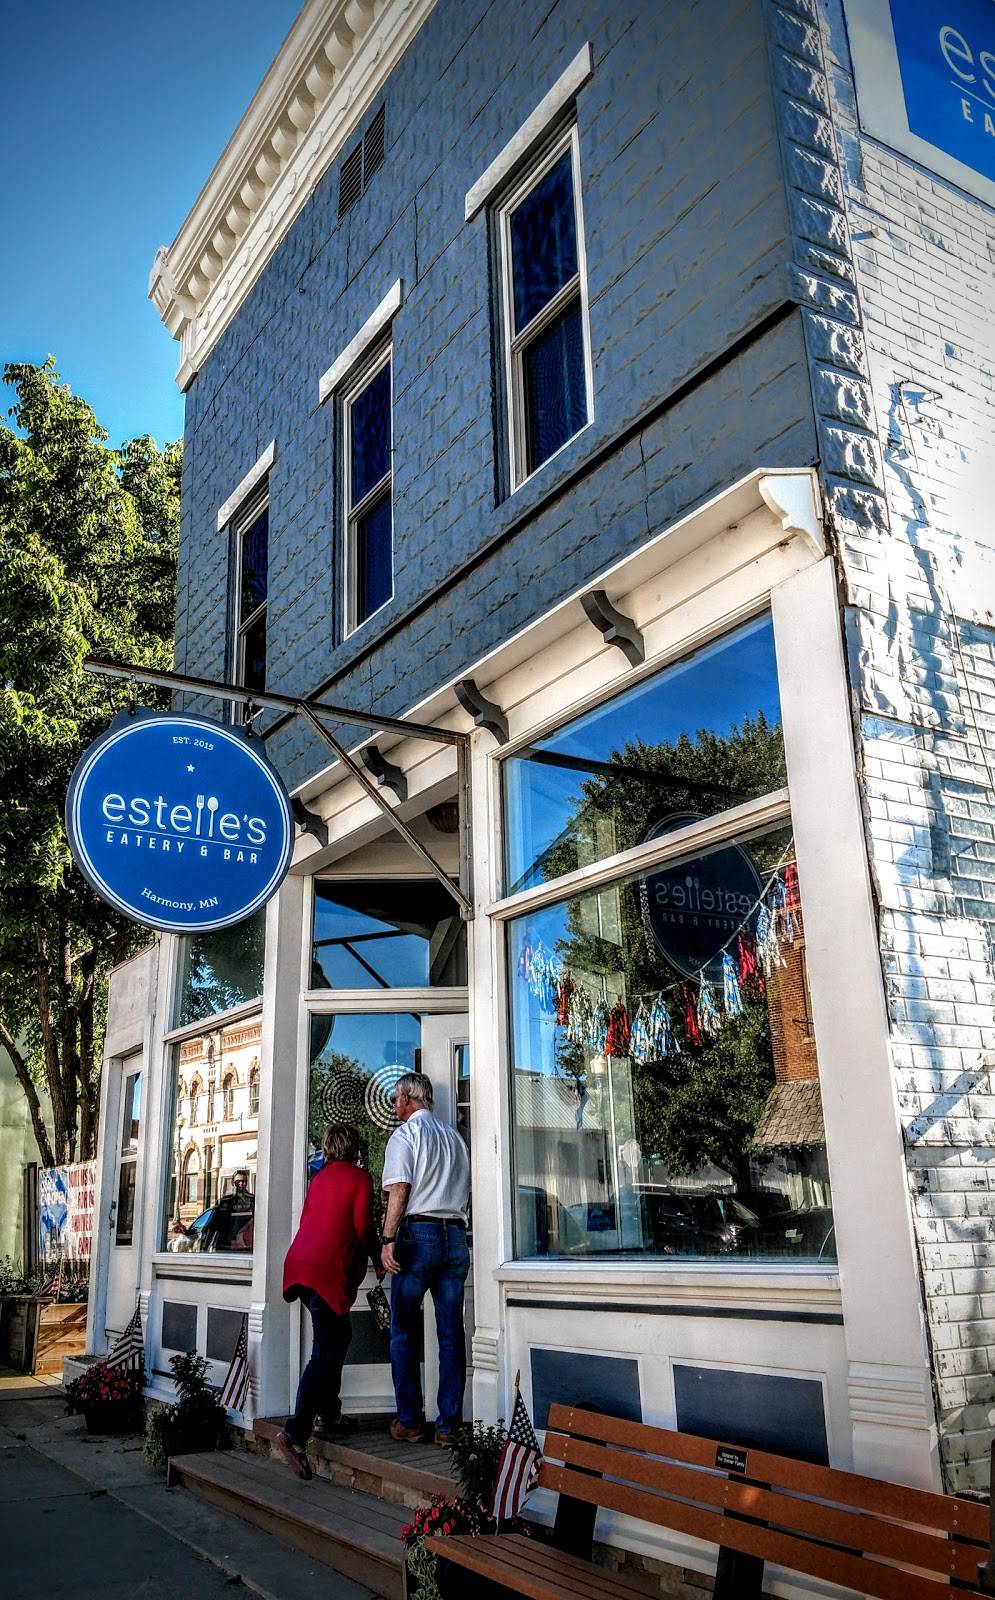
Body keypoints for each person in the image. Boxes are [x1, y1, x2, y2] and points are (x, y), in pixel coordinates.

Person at [276, 1123, 382, 1478]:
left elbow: (311, 1220)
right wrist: (379, 1255)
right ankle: (295, 1433)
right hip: (325, 1271)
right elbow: (362, 1225)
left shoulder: (318, 1179)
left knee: (339, 1338)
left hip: (301, 1264)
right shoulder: (360, 1178)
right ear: (354, 1147)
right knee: (324, 1351)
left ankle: (330, 1413)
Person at [381, 1072, 471, 1447]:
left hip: (418, 1235)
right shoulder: (455, 1139)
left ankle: (410, 1421)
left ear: (407, 1098)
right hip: (455, 1235)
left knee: (403, 1330)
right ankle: (448, 1426)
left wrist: (388, 1238)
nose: (394, 1105)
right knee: (451, 1335)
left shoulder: (406, 1135)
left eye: (395, 1099)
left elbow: (400, 1187)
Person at [207, 1168, 254, 1251]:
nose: (241, 1184)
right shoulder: (225, 1201)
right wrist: (206, 1245)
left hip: (246, 1245)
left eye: (243, 1181)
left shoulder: (253, 1200)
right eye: (238, 1181)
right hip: (227, 1245)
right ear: (233, 1183)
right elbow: (214, 1225)